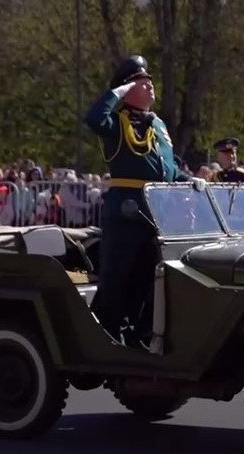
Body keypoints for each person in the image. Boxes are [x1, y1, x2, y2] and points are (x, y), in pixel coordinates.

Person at [84, 54, 200, 352]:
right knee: (116, 281)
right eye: (141, 83)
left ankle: (139, 337)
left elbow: (169, 168)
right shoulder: (116, 124)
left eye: (150, 82)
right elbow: (93, 119)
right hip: (126, 214)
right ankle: (100, 340)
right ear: (126, 89)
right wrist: (118, 93)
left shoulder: (157, 125)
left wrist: (191, 180)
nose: (150, 87)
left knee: (151, 282)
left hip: (157, 214)